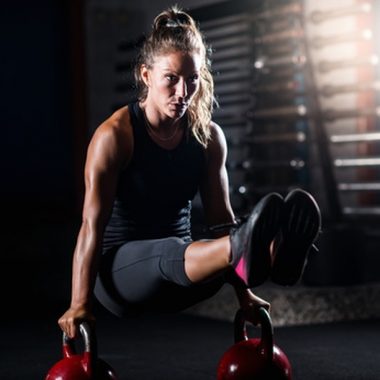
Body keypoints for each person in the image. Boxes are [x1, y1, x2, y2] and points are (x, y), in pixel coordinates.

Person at [58, 5, 321, 339]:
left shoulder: (208, 138)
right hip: (120, 281)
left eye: (192, 80)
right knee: (175, 248)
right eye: (171, 79)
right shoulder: (115, 136)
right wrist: (79, 303)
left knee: (211, 241)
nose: (183, 93)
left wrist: (244, 296)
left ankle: (271, 256)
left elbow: (221, 221)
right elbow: (90, 226)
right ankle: (257, 248)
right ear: (145, 75)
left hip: (186, 275)